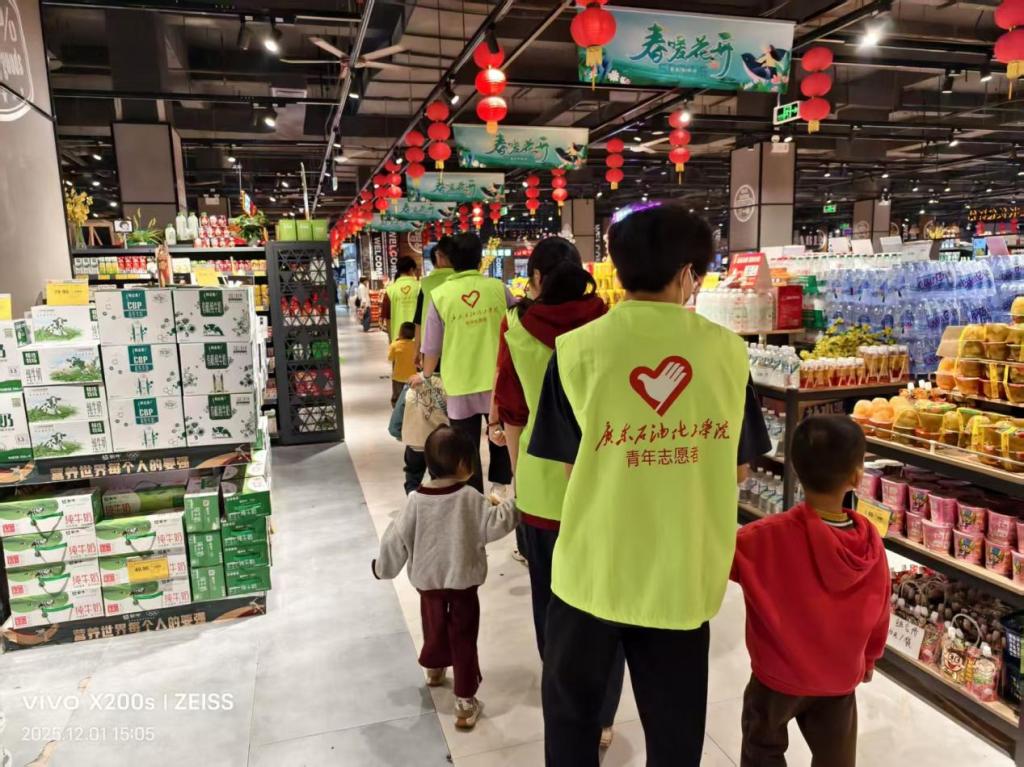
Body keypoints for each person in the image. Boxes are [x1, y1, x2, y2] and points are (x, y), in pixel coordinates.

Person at [528, 202, 770, 766]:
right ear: (687, 274)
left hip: (593, 571)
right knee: (675, 734)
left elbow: (570, 469)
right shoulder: (728, 353)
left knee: (571, 723)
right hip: (681, 575)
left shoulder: (577, 350)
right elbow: (739, 469)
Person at [492, 236, 625, 748]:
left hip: (543, 488)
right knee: (607, 602)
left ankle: (567, 705)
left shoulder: (517, 330)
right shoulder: (609, 325)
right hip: (605, 483)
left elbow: (512, 412)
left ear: (538, 279)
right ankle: (605, 715)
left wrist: (517, 473)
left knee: (550, 602)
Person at [731, 415, 889, 767]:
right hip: (839, 677)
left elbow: (715, 562)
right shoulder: (869, 544)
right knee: (836, 757)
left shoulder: (763, 537)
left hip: (776, 676)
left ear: (794, 468)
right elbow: (881, 610)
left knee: (762, 749)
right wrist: (868, 658)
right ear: (857, 477)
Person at [372, 424, 520, 730]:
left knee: (434, 626)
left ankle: (435, 666)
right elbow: (494, 524)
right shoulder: (469, 498)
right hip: (463, 584)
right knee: (464, 637)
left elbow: (395, 538)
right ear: (464, 464)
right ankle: (465, 701)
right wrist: (517, 505)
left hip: (428, 585)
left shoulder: (416, 500)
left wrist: (382, 568)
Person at [411, 233, 514, 495]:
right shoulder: (499, 289)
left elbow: (432, 346)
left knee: (465, 442)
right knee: (500, 433)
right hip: (497, 378)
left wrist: (425, 375)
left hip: (460, 381)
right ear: (480, 259)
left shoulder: (440, 295)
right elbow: (518, 326)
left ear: (450, 260)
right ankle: (500, 485)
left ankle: (473, 490)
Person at [414, 237, 456, 359]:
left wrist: (417, 350)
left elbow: (419, 321)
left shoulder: (425, 284)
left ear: (436, 261)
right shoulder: (464, 281)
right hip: (457, 346)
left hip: (431, 348)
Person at [382, 256, 421, 342]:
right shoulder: (420, 287)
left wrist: (390, 339)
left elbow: (388, 318)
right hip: (418, 338)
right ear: (411, 270)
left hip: (398, 338)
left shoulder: (390, 290)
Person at [388, 321, 418, 408]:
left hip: (398, 377)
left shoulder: (395, 345)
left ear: (400, 333)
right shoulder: (416, 346)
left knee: (397, 396)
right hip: (413, 377)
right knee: (412, 397)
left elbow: (390, 358)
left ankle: (397, 411)